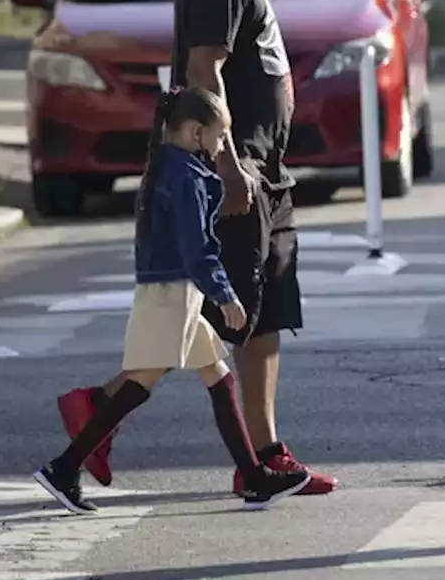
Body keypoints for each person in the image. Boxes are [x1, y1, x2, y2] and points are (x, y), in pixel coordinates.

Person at [55, 0, 339, 498]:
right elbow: (205, 71)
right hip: (237, 173)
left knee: (261, 315)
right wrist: (230, 166)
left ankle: (266, 452)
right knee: (208, 319)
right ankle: (92, 414)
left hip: (264, 170)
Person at [34, 88, 311, 514]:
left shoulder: (171, 166)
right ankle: (63, 469)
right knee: (135, 387)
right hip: (172, 295)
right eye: (220, 138)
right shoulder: (186, 179)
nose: (222, 148)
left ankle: (255, 478)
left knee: (220, 380)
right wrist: (224, 295)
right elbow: (196, 249)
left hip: (176, 293)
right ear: (197, 132)